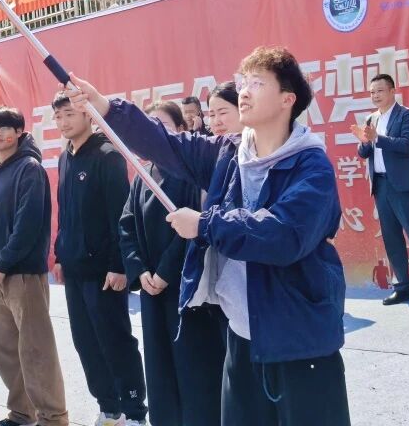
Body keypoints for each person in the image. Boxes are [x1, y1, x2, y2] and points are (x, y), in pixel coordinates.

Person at [67, 44, 352, 426]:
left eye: (257, 83)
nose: (244, 91)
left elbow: (283, 234)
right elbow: (165, 143)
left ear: (288, 99)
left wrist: (205, 224)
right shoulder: (228, 154)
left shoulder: (311, 165)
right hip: (241, 334)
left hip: (298, 340)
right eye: (243, 82)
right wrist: (105, 107)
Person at [119, 102, 223, 426]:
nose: (153, 134)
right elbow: (126, 225)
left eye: (162, 126)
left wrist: (164, 272)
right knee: (159, 367)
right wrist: (140, 271)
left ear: (180, 131)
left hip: (184, 289)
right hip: (151, 289)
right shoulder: (142, 176)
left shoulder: (192, 175)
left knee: (193, 368)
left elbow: (194, 228)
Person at [51, 93, 147, 426]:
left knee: (114, 340)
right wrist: (60, 255)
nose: (64, 122)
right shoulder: (65, 157)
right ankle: (109, 408)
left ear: (89, 115)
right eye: (58, 116)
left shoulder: (107, 155)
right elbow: (65, 214)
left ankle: (134, 410)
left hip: (105, 273)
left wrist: (118, 266)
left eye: (70, 114)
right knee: (86, 342)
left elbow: (120, 216)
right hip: (74, 269)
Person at [0, 107, 69, 426]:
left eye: (5, 127)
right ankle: (22, 413)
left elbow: (28, 224)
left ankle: (53, 417)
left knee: (36, 350)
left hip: (23, 274)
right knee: (6, 351)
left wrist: (2, 263)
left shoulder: (30, 168)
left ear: (19, 131)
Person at [350, 73, 409, 307]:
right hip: (380, 185)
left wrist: (377, 138)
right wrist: (364, 142)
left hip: (403, 186)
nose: (375, 95)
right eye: (372, 92)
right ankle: (402, 287)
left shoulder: (407, 115)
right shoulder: (371, 118)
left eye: (380, 91)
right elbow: (364, 153)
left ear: (392, 91)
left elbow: (407, 145)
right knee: (391, 238)